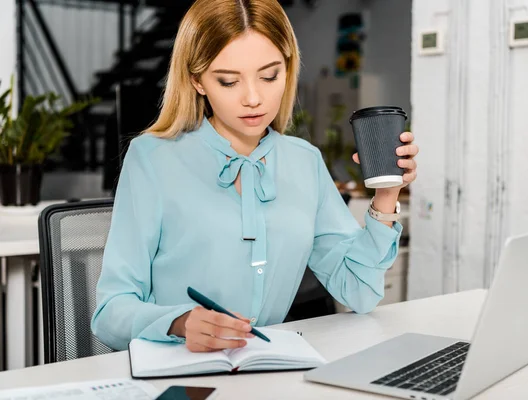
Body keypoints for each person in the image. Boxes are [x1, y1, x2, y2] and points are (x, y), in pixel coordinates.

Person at [91, 0, 419, 353]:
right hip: (178, 373)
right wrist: (180, 323)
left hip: (266, 372)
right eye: (229, 81)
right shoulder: (153, 158)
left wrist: (387, 196)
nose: (253, 98)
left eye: (269, 76)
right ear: (197, 80)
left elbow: (359, 292)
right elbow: (110, 313)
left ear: (288, 68)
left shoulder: (304, 161)